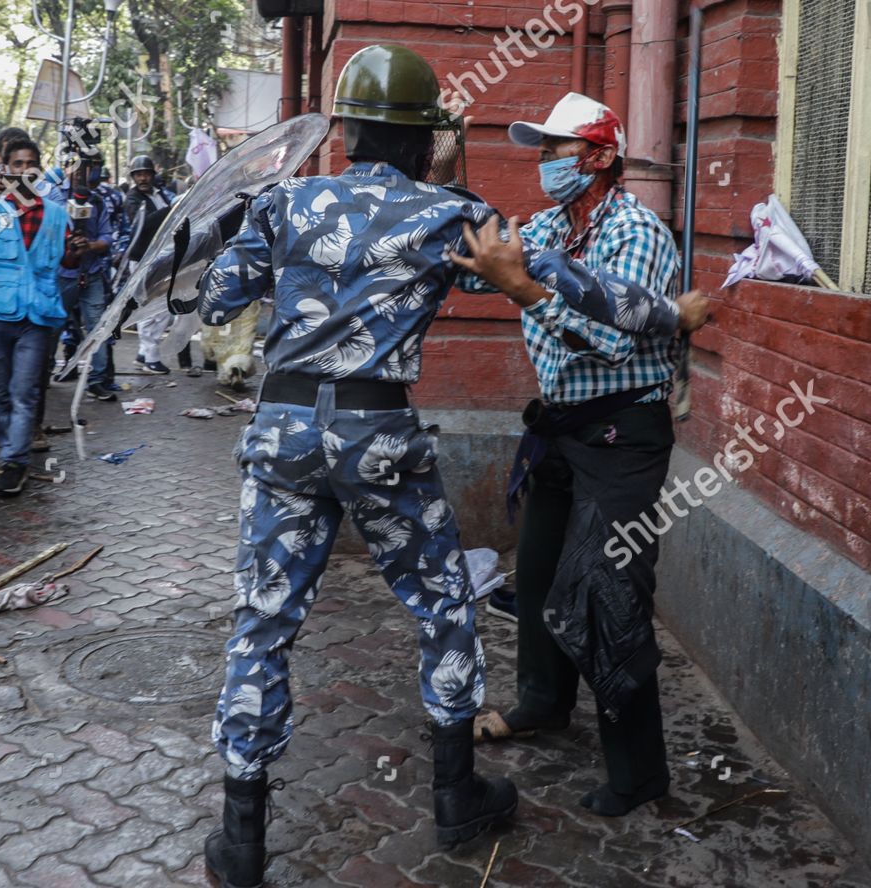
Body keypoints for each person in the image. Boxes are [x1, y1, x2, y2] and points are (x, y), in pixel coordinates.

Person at [197, 45, 706, 887]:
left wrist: (251, 233)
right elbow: (560, 283)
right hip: (377, 434)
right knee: (443, 610)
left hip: (282, 432)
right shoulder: (446, 215)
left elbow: (215, 301)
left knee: (262, 624)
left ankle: (242, 838)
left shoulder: (283, 201)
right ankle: (456, 792)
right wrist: (669, 316)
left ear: (350, 129)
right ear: (425, 137)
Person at [466, 91, 693, 820]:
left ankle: (639, 773)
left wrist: (526, 291)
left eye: (555, 150)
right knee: (534, 576)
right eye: (541, 150)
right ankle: (543, 702)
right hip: (563, 429)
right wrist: (445, 195)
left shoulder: (638, 232)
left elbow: (614, 337)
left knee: (608, 598)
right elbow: (483, 260)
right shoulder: (549, 228)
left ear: (598, 157)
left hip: (623, 435)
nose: (543, 163)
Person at [0, 139, 83, 495]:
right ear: (6, 168)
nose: (24, 169)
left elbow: (68, 260)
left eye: (31, 164)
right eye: (17, 164)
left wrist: (78, 252)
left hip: (38, 315)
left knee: (24, 391)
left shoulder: (57, 214)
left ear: (38, 170)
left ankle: (15, 461)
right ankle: (7, 448)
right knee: (0, 393)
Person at [58, 155, 119, 401]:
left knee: (98, 327)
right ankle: (40, 375)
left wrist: (90, 246)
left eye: (86, 169)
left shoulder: (98, 202)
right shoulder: (54, 199)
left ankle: (97, 380)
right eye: (74, 169)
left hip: (91, 273)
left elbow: (107, 236)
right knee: (51, 326)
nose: (80, 174)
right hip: (61, 275)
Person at [117, 154, 179, 374]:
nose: (143, 178)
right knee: (150, 307)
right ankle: (151, 357)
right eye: (139, 174)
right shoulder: (132, 199)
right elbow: (144, 224)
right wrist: (171, 208)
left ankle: (144, 353)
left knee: (164, 308)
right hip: (143, 258)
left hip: (163, 257)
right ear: (134, 177)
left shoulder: (159, 193)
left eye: (146, 173)